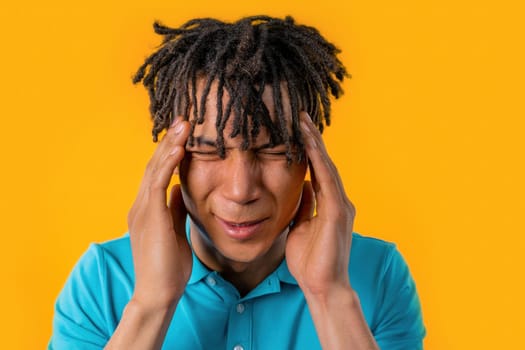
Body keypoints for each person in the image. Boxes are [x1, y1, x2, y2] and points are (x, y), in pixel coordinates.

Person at [49, 15, 425, 349]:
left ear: (312, 159)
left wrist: (330, 295)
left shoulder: (377, 274)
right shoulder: (103, 279)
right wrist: (151, 303)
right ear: (170, 160)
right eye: (209, 151)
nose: (241, 190)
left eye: (274, 150)